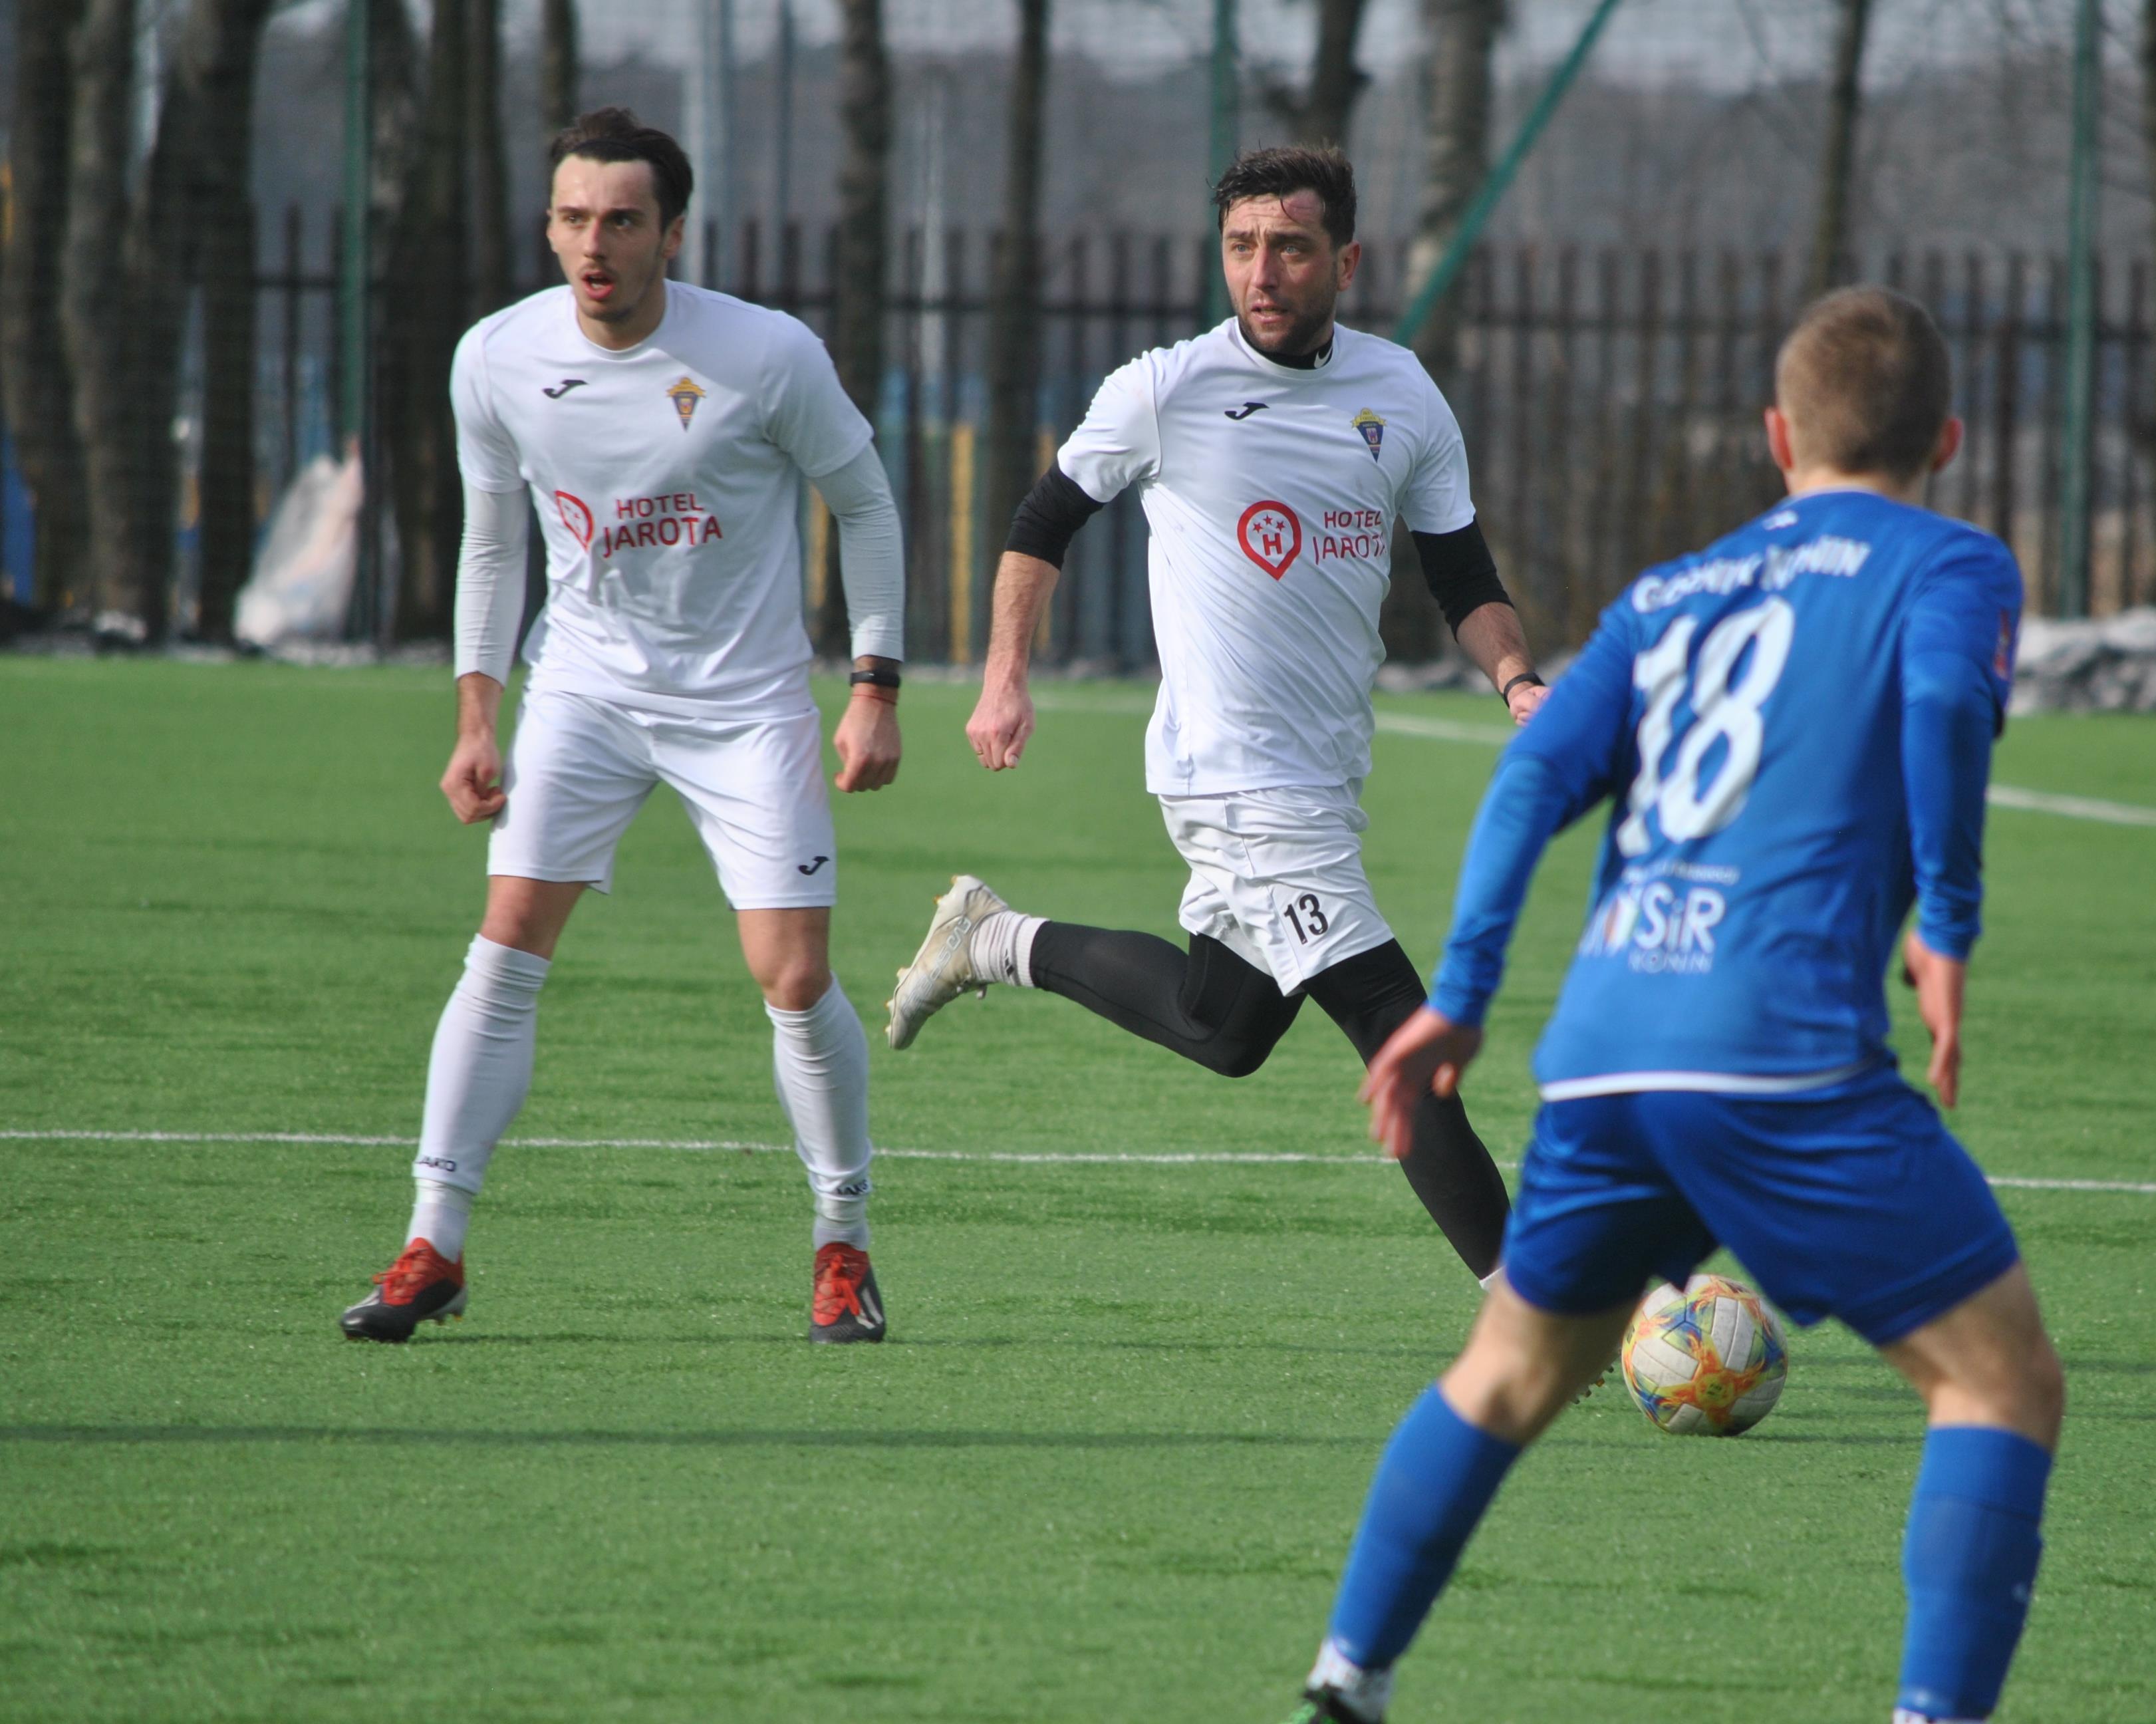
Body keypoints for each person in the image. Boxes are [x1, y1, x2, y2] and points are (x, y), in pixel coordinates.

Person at [1284, 287, 2067, 1724]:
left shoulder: (1670, 593)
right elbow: (1947, 710)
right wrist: (1948, 925)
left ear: (1777, 437)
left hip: (1605, 1056)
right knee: (2000, 1383)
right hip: (1780, 1059)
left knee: (1507, 1375)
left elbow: (1532, 774)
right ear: (1947, 440)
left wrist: (1464, 995)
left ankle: (1345, 1682)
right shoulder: (1953, 564)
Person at [883, 146, 1535, 1282]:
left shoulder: (1401, 393)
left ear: (1346, 261)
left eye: (1290, 247)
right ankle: (1532, 1315)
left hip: (1323, 776)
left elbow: (1462, 573)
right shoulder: (1166, 388)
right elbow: (1041, 524)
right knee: (1401, 1034)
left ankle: (992, 938)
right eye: (1242, 247)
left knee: (1221, 1027)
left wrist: (1519, 681)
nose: (1263, 272)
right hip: (1233, 779)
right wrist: (1003, 676)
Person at [338, 108, 907, 1346]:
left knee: (794, 976)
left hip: (746, 703)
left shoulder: (766, 354)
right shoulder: (497, 358)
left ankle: (843, 1242)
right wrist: (477, 717)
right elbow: (494, 543)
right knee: (505, 943)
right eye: (574, 218)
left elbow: (864, 503)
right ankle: (433, 1243)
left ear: (673, 233)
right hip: (584, 692)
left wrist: (874, 686)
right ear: (549, 228)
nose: (595, 244)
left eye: (624, 220)